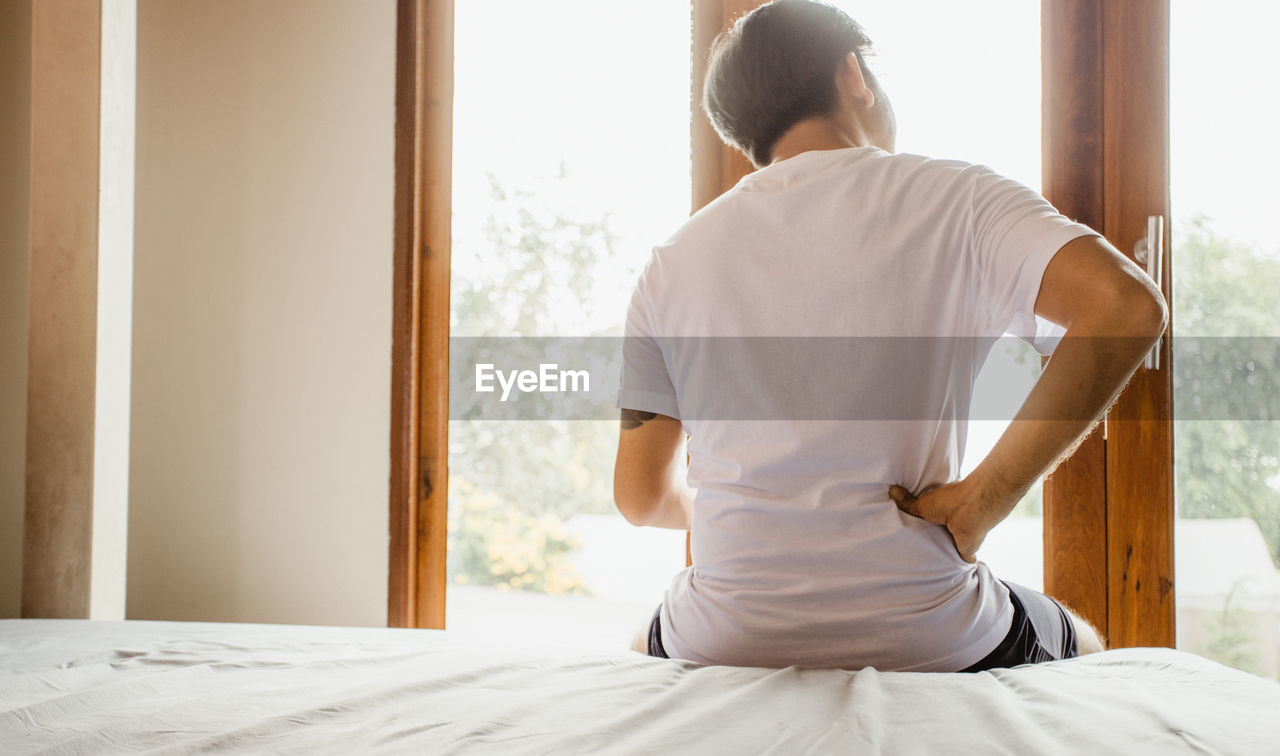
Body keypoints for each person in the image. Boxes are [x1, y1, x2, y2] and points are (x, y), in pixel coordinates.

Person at [613, 0, 1166, 672]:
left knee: (638, 647)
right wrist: (981, 501)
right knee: (1082, 641)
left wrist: (752, 513)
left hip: (724, 635)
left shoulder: (673, 261)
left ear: (743, 134)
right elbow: (1127, 308)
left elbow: (640, 499)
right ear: (853, 73)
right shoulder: (960, 199)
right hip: (930, 631)